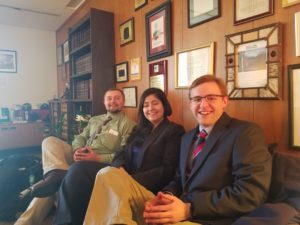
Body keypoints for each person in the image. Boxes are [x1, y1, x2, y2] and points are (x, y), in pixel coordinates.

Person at [83, 75, 272, 225]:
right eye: (197, 99)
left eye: (211, 98)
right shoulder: (188, 137)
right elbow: (178, 179)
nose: (203, 105)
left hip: (204, 217)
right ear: (190, 103)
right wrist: (165, 197)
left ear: (224, 101)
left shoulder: (244, 132)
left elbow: (251, 194)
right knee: (107, 174)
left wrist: (189, 209)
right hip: (174, 207)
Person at [53, 87, 185, 225]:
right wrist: (119, 167)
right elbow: (122, 152)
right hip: (121, 175)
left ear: (164, 105)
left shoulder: (173, 131)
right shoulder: (140, 129)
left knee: (78, 170)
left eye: (155, 103)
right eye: (146, 105)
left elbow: (167, 170)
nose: (150, 108)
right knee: (78, 170)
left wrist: (129, 179)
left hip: (141, 184)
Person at [14, 88, 136, 225]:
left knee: (51, 185)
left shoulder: (129, 125)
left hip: (97, 163)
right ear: (104, 101)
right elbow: (80, 137)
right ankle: (56, 174)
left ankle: (24, 221)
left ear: (123, 102)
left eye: (117, 98)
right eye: (109, 98)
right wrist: (77, 149)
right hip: (79, 156)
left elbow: (124, 155)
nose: (112, 101)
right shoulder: (95, 120)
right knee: (50, 141)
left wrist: (97, 158)